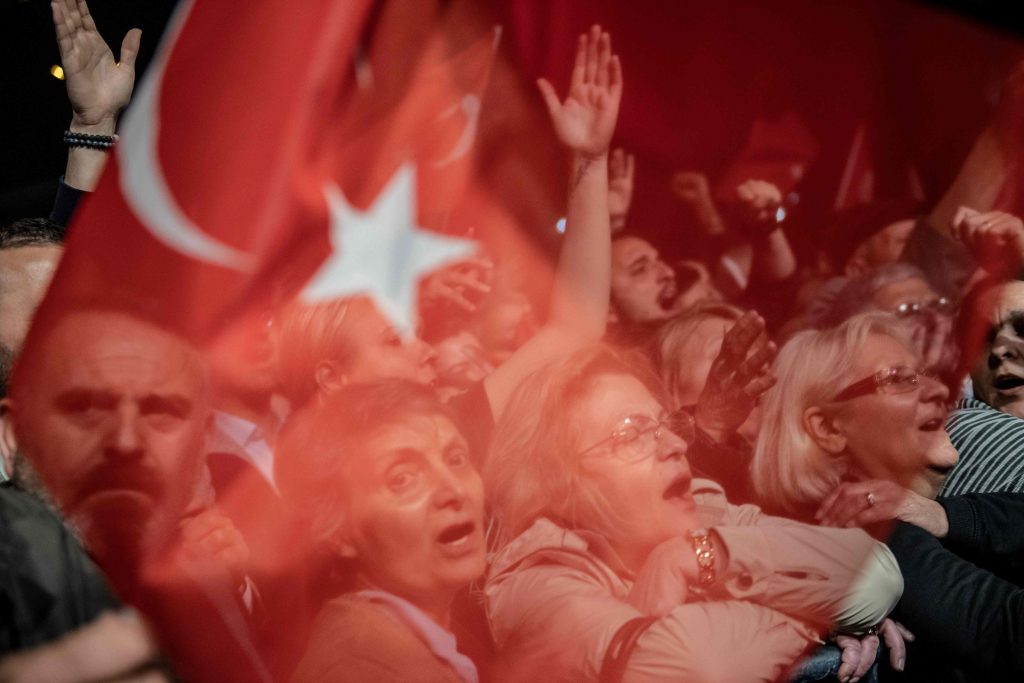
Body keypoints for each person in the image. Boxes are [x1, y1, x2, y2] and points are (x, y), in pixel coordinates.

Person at [483, 344, 903, 683]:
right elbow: (703, 668)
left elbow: (877, 574)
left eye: (664, 425)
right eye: (632, 434)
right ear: (558, 484)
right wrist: (816, 616)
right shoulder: (536, 583)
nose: (676, 445)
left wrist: (699, 554)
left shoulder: (700, 513)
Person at [4, 307, 270, 681]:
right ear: (14, 431)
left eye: (161, 410)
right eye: (86, 406)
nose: (126, 441)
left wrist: (234, 588)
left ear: (203, 439)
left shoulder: (195, 569)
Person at [276, 381, 487, 683]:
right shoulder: (359, 670)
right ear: (338, 533)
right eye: (402, 478)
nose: (454, 490)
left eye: (456, 459)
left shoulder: (432, 637)